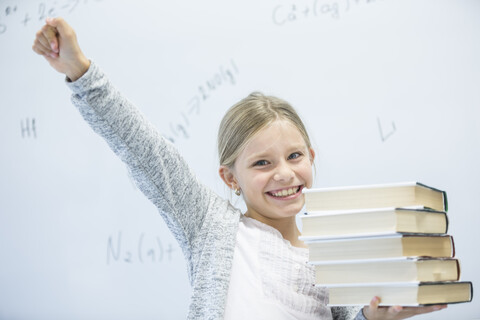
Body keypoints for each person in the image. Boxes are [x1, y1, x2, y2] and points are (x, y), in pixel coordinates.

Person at [32, 17, 448, 320]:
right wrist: (80, 71)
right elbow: (146, 151)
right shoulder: (211, 226)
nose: (284, 173)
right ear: (230, 178)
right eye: (262, 163)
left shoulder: (331, 257)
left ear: (312, 158)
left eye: (294, 156)